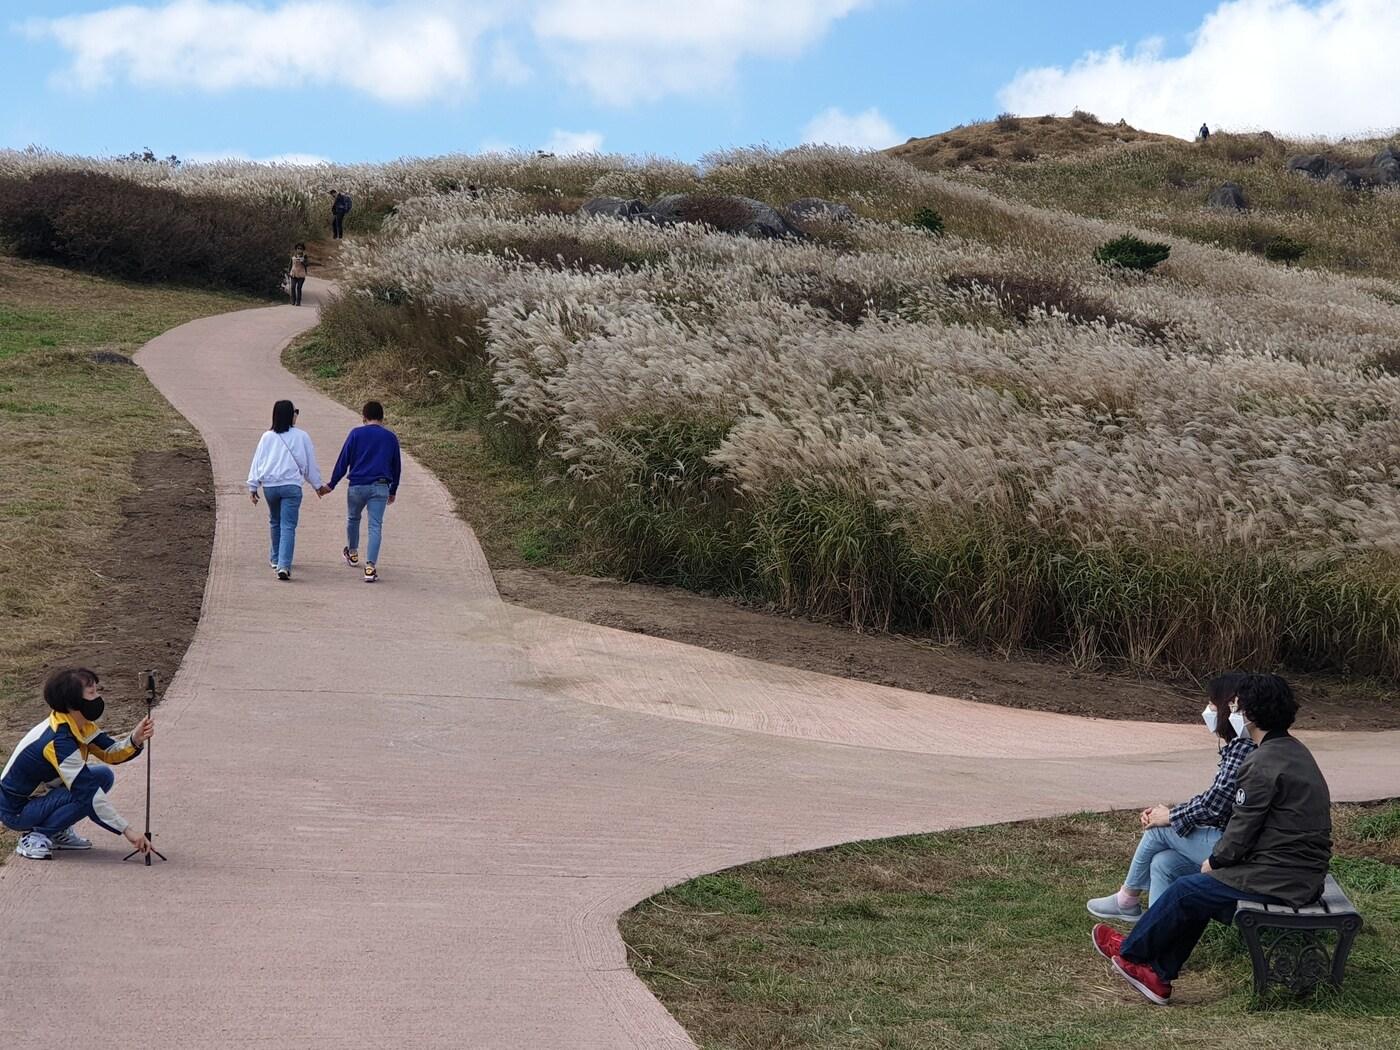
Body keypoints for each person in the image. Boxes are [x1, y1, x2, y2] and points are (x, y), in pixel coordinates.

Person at [1092, 673, 1332, 1006]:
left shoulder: (1261, 762)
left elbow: (1242, 828)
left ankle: (1134, 954)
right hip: (1293, 871)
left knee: (1189, 888)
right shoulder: (1290, 750)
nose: (1232, 711)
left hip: (1281, 877)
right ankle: (1157, 974)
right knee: (1193, 888)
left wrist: (1216, 861)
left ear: (1250, 714)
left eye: (1237, 706)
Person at [1087, 672, 1254, 922]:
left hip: (1236, 850)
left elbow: (1215, 805)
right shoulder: (1243, 746)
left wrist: (1168, 816)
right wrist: (1170, 813)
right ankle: (1154, 931)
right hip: (1234, 843)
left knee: (1158, 830)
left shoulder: (1243, 748)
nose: (1207, 710)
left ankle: (1126, 900)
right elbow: (1216, 801)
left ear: (1230, 707)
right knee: (1164, 863)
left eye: (1211, 703)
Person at [1, 668, 156, 860]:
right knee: (86, 791)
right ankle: (36, 836)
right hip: (17, 811)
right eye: (92, 693)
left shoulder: (78, 724)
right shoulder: (58, 741)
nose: (98, 697)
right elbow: (87, 792)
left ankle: (56, 831)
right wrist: (127, 831)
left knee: (102, 775)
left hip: (41, 798)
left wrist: (135, 739)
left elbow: (109, 752)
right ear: (72, 703)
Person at [247, 399, 327, 580]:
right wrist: (318, 486)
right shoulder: (302, 436)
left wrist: (253, 487)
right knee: (288, 526)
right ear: (291, 415)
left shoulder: (267, 437)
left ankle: (275, 559)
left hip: (270, 487)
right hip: (291, 486)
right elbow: (309, 465)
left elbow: (257, 462)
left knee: (275, 521)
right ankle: (284, 565)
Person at [327, 400, 401, 583]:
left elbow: (343, 461)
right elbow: (396, 466)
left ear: (364, 417)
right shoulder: (390, 437)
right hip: (381, 485)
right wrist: (393, 489)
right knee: (375, 525)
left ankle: (352, 552)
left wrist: (331, 484)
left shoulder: (356, 434)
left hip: (357, 485)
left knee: (353, 518)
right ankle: (370, 567)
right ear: (382, 418)